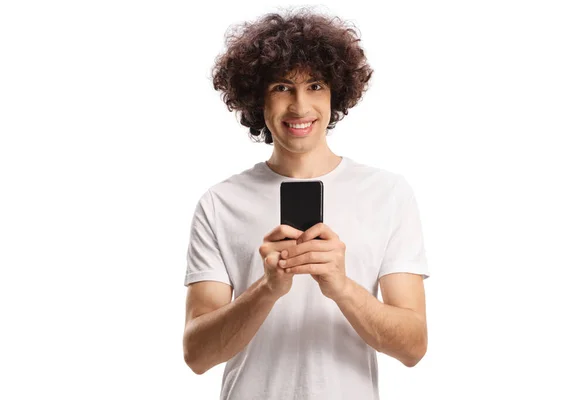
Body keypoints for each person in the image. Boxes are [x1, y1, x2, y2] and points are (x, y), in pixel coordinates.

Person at [182, 7, 430, 400]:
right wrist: (267, 288)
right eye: (282, 87)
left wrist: (341, 287)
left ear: (336, 93)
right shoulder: (220, 202)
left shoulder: (388, 194)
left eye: (315, 85)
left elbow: (413, 346)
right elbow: (196, 354)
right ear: (256, 97)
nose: (299, 106)